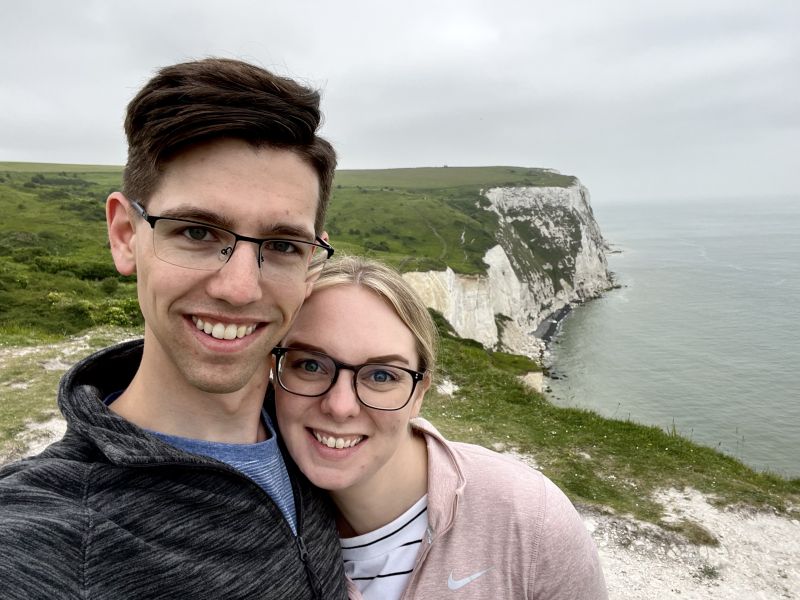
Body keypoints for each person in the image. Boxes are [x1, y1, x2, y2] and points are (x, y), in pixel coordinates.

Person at [0, 58, 347, 599]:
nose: (240, 288)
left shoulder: (320, 440)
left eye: (282, 246)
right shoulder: (54, 541)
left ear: (311, 261)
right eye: (197, 232)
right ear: (124, 235)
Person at [272, 255, 608, 599]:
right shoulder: (245, 522)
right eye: (310, 365)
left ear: (419, 393)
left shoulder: (530, 521)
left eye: (382, 376)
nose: (340, 406)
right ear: (273, 371)